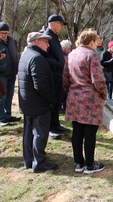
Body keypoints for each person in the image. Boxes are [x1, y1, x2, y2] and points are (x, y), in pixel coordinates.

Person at [63, 29, 107, 174]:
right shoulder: (91, 55)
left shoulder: (71, 54)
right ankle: (89, 165)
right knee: (89, 133)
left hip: (74, 98)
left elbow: (65, 78)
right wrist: (104, 93)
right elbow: (98, 80)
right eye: (96, 41)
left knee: (77, 132)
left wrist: (70, 92)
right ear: (91, 41)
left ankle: (79, 163)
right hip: (90, 100)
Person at [18, 32, 58, 173]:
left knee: (29, 133)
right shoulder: (37, 58)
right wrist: (52, 99)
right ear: (36, 42)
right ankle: (39, 163)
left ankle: (29, 160)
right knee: (40, 134)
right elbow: (40, 85)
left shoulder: (25, 55)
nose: (48, 45)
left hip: (28, 103)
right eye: (45, 42)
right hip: (38, 104)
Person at [44, 14, 70, 138]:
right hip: (52, 74)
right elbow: (44, 57)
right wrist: (58, 63)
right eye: (60, 24)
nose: (61, 28)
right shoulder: (46, 37)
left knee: (57, 100)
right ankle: (50, 127)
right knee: (51, 101)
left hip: (58, 74)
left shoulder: (54, 36)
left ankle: (55, 124)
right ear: (54, 23)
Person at [0, 22, 21, 125]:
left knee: (10, 95)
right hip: (1, 74)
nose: (4, 35)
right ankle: (1, 117)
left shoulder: (11, 40)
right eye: (2, 33)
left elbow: (14, 55)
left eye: (6, 33)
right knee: (2, 96)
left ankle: (7, 115)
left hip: (12, 73)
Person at [60, 39, 72, 112]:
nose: (69, 50)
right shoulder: (61, 55)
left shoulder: (69, 55)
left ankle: (65, 106)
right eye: (68, 48)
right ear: (63, 48)